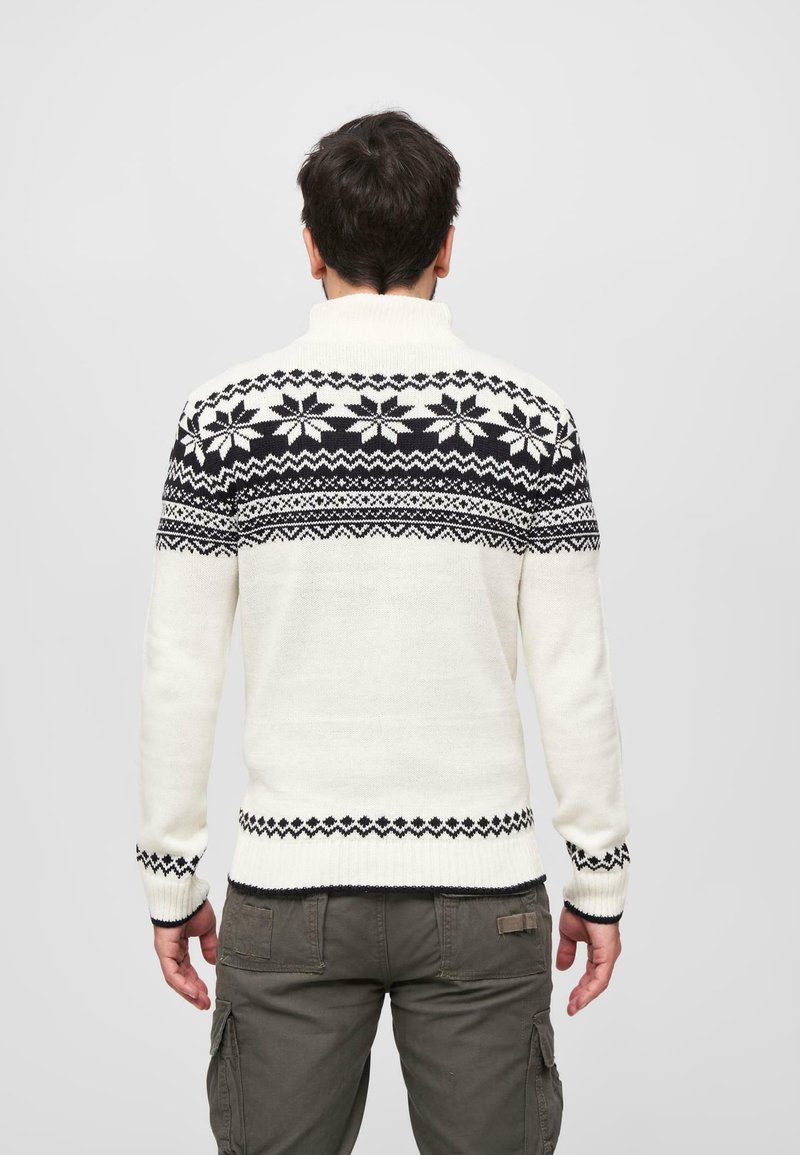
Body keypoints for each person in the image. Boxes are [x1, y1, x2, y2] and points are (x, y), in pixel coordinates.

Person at [136, 108, 631, 1155]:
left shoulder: (223, 417)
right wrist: (598, 877)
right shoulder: (531, 420)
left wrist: (170, 883)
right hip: (484, 897)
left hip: (287, 892)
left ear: (309, 245)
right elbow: (572, 673)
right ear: (447, 246)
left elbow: (179, 671)